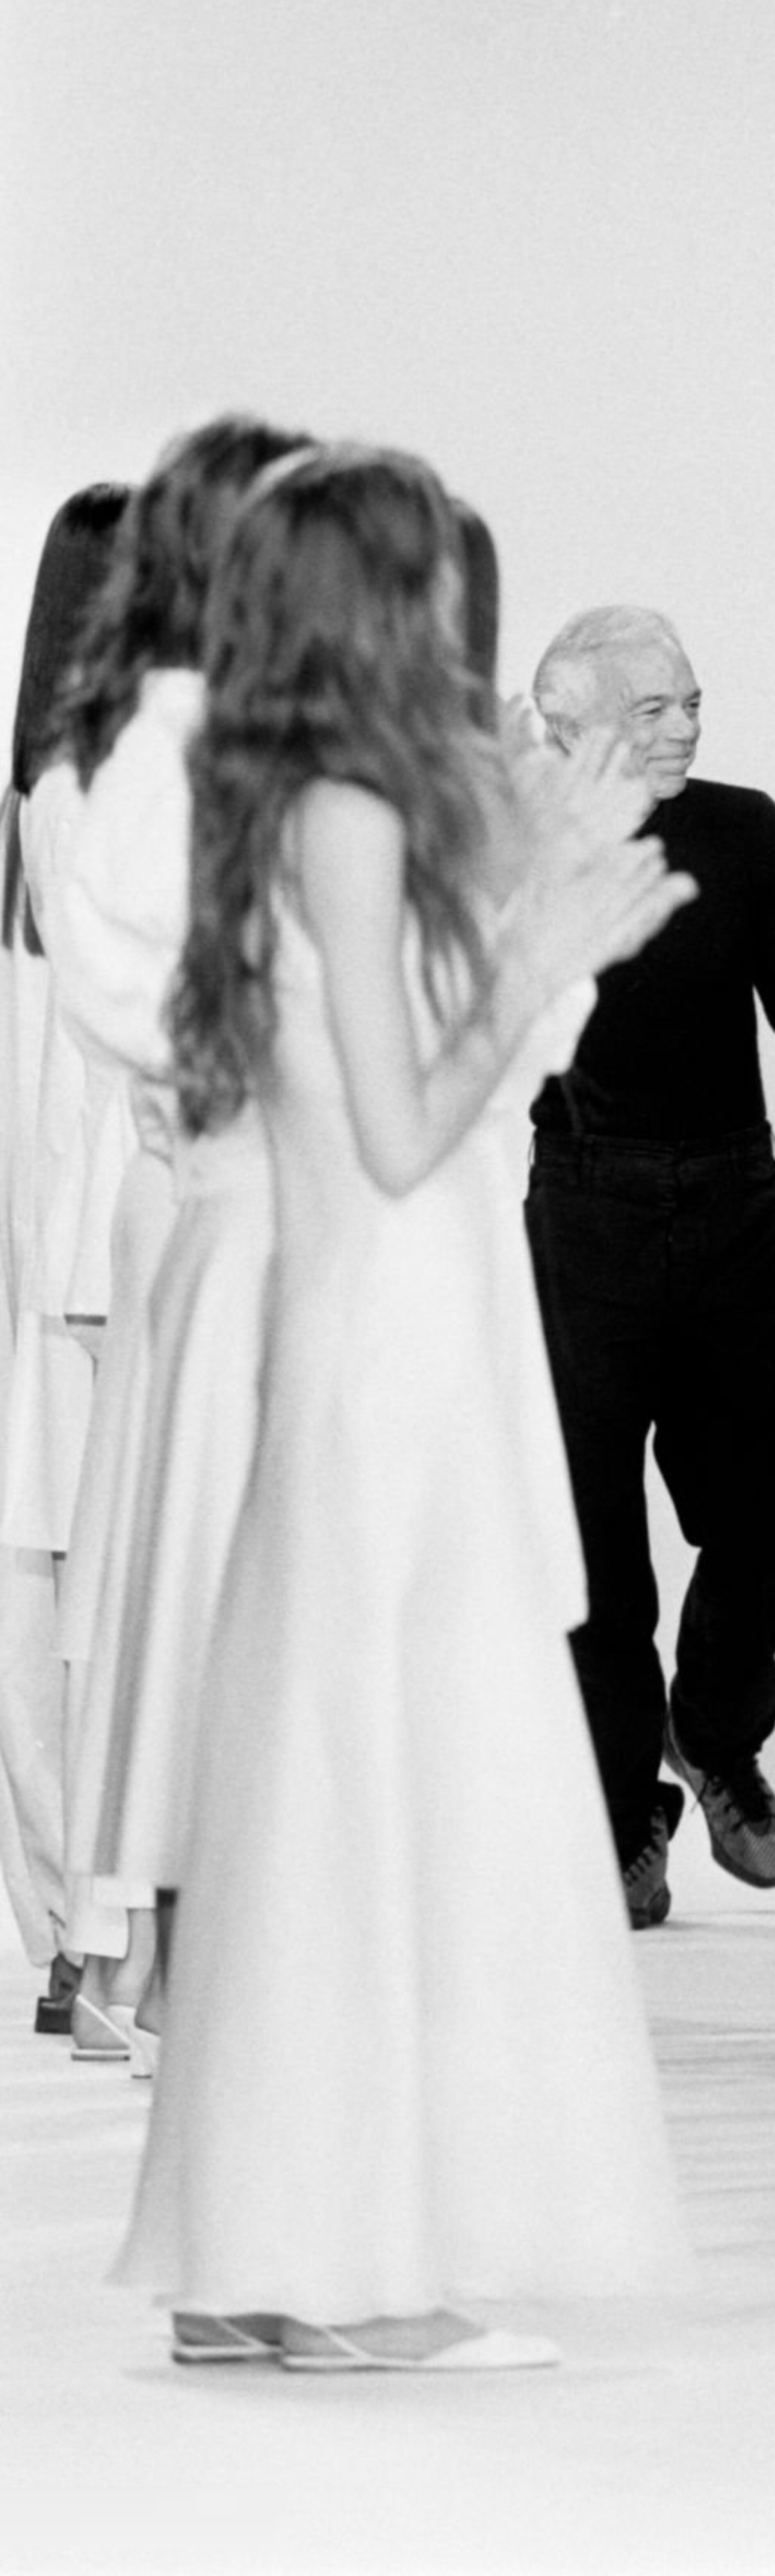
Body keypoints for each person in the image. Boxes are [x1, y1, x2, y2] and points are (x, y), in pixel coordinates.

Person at [117, 444, 691, 2371]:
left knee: (324, 1790)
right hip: (390, 1324)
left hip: (374, 1320)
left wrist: (533, 934)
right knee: (373, 1791)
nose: (458, 618)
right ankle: (347, 2277)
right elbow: (397, 1126)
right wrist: (537, 954)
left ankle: (263, 2260)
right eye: (430, 581)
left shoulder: (288, 802)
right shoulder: (349, 812)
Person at [527, 604, 775, 1924]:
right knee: (599, 1555)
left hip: (732, 1210)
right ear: (568, 729)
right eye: (652, 709)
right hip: (582, 1215)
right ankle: (622, 1818)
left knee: (766, 1510)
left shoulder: (745, 832)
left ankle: (711, 1734)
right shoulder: (522, 844)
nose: (685, 727)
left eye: (692, 701)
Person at [31, 419, 308, 2061]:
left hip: (190, 1196)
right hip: (215, 1196)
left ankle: (128, 1947)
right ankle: (145, 1953)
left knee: (168, 1575)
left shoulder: (107, 768)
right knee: (193, 1580)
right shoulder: (174, 768)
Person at [0, 486, 127, 2028]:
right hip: (97, 1256)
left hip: (63, 1257)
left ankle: (71, 1932)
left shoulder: (46, 803)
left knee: (50, 1602)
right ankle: (90, 1933)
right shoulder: (94, 803)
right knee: (90, 1605)